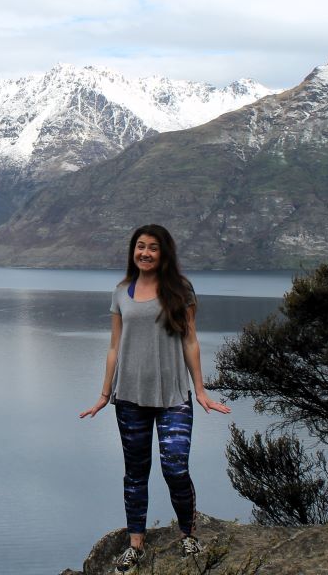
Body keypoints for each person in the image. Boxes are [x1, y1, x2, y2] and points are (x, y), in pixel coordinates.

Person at [80, 224, 231, 573]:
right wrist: (105, 394)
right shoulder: (121, 292)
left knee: (175, 468)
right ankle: (136, 543)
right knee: (136, 472)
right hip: (129, 395)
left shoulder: (180, 290)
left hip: (174, 395)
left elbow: (190, 341)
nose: (145, 253)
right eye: (140, 246)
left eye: (153, 248)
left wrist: (201, 389)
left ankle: (188, 533)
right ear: (133, 251)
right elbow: (115, 346)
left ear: (164, 253)